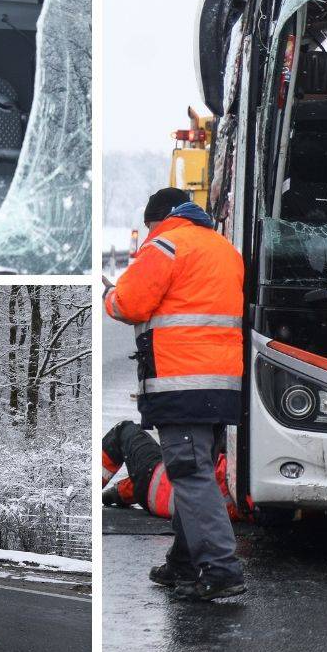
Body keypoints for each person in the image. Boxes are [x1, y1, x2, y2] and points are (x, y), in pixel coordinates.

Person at [103, 188, 247, 601]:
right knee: (194, 471)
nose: (149, 233)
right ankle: (183, 563)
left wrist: (108, 295)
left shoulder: (165, 245)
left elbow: (129, 304)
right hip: (221, 383)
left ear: (158, 219)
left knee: (189, 472)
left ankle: (221, 568)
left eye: (150, 226)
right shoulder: (223, 249)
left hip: (180, 381)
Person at [101, 420, 241, 521]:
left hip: (156, 485)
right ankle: (117, 493)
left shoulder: (230, 459)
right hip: (159, 494)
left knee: (123, 430)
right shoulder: (251, 497)